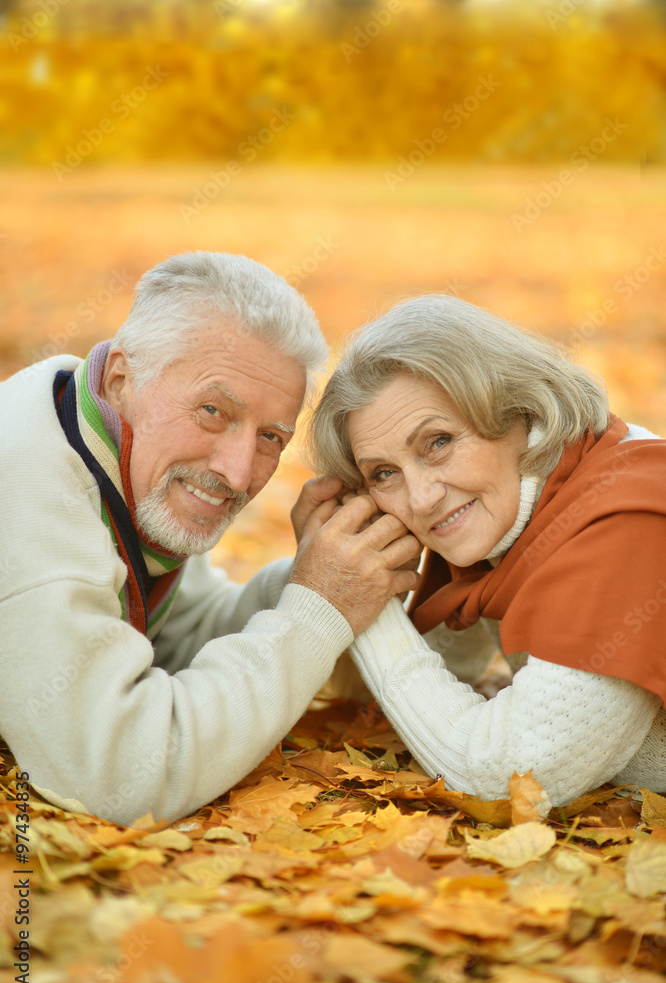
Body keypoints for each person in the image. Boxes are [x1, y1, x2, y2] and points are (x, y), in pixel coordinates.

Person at [0, 252, 420, 826]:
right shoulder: (29, 493)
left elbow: (181, 638)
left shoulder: (93, 430)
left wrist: (318, 577)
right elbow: (118, 777)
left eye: (271, 436)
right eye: (213, 411)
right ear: (124, 378)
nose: (238, 472)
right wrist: (317, 609)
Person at [309, 294, 666, 808]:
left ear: (518, 410)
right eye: (383, 474)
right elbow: (419, 677)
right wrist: (346, 567)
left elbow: (510, 781)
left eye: (437, 442)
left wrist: (366, 602)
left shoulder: (622, 517)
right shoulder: (508, 518)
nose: (422, 497)